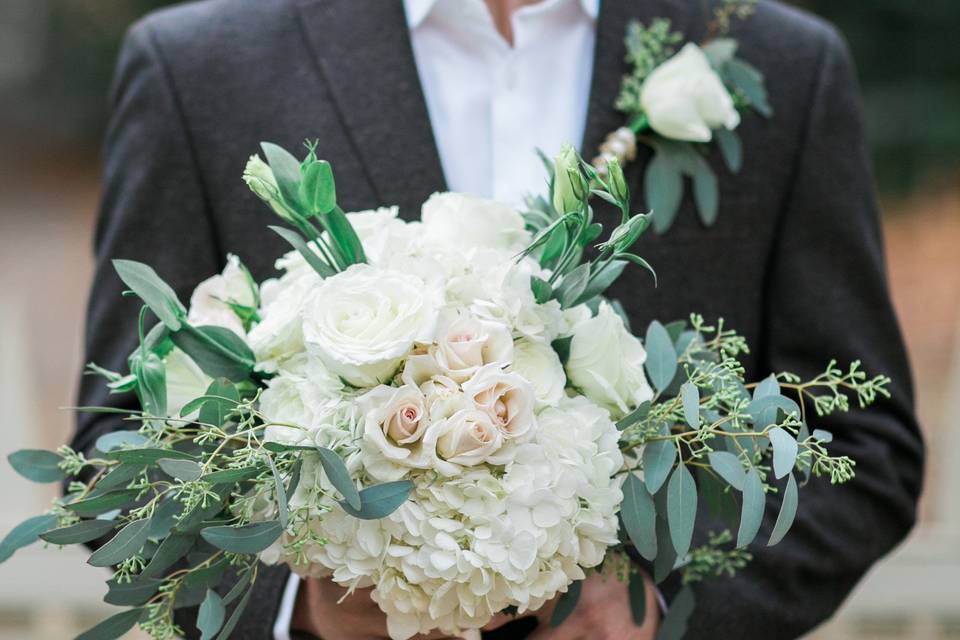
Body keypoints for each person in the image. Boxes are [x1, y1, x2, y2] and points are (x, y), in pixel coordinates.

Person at [73, 0, 924, 638]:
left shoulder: (774, 62)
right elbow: (110, 453)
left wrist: (662, 608)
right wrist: (303, 610)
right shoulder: (200, 68)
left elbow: (864, 445)